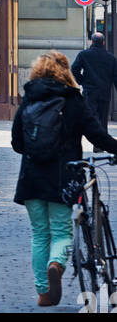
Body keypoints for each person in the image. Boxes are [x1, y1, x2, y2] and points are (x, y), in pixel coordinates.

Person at [12, 50, 117, 306]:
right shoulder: (73, 100)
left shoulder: (29, 99)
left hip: (31, 178)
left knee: (39, 234)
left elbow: (17, 143)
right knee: (61, 231)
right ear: (66, 72)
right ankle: (56, 264)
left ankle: (44, 293)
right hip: (63, 177)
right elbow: (97, 135)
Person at [71, 33, 117, 131]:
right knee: (103, 122)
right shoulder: (111, 58)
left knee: (91, 120)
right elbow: (116, 77)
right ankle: (99, 145)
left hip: (90, 92)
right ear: (103, 42)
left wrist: (82, 81)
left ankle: (96, 142)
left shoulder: (84, 55)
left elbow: (74, 70)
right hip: (104, 94)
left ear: (92, 41)